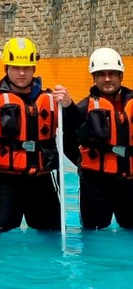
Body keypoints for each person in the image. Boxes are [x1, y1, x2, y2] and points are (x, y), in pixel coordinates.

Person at [0, 37, 79, 232]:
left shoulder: (52, 101)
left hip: (42, 183)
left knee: (52, 239)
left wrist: (70, 106)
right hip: (5, 184)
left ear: (34, 68)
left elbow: (80, 132)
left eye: (27, 67)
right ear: (6, 68)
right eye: (16, 67)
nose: (22, 73)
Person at [70, 48, 133, 230]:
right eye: (101, 74)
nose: (107, 79)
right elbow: (68, 143)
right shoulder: (82, 109)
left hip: (130, 183)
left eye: (112, 74)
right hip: (95, 184)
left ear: (121, 76)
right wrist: (83, 162)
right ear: (94, 78)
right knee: (93, 234)